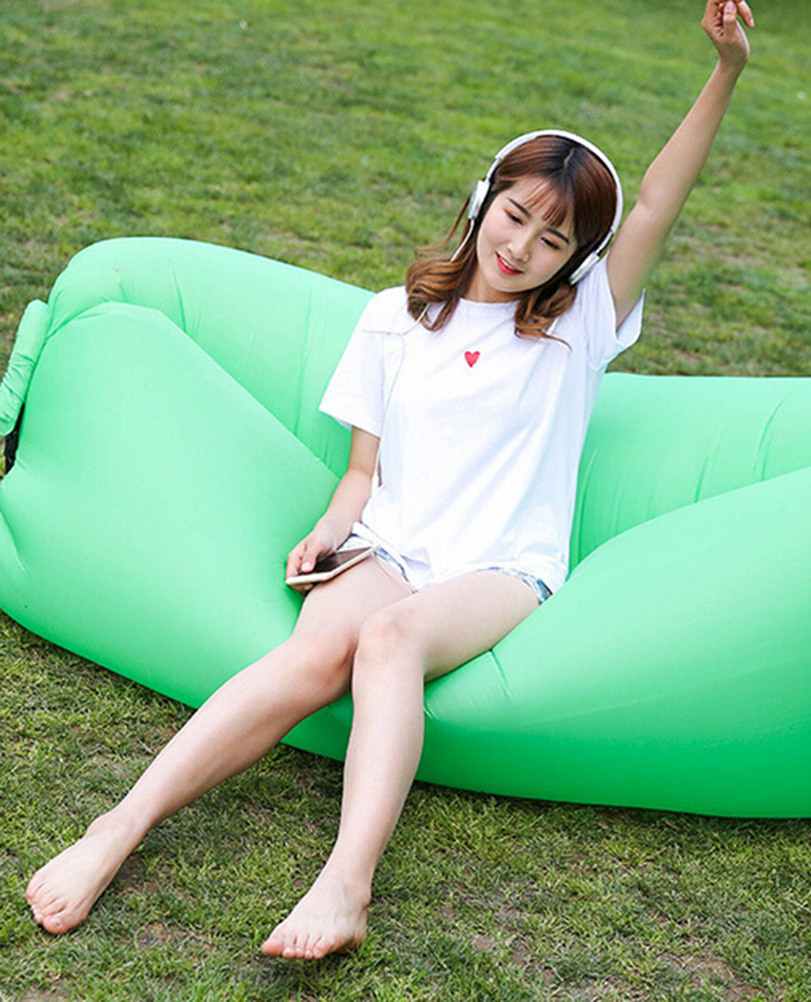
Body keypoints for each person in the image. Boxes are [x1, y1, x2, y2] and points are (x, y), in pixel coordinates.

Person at [25, 0, 753, 960]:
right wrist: (330, 532)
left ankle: (345, 884)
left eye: (553, 241)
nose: (521, 249)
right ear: (484, 198)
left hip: (500, 568)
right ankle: (117, 827)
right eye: (515, 216)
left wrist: (726, 70)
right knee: (308, 660)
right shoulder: (393, 318)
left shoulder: (580, 325)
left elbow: (655, 203)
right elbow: (363, 471)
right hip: (391, 547)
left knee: (393, 638)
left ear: (578, 258)